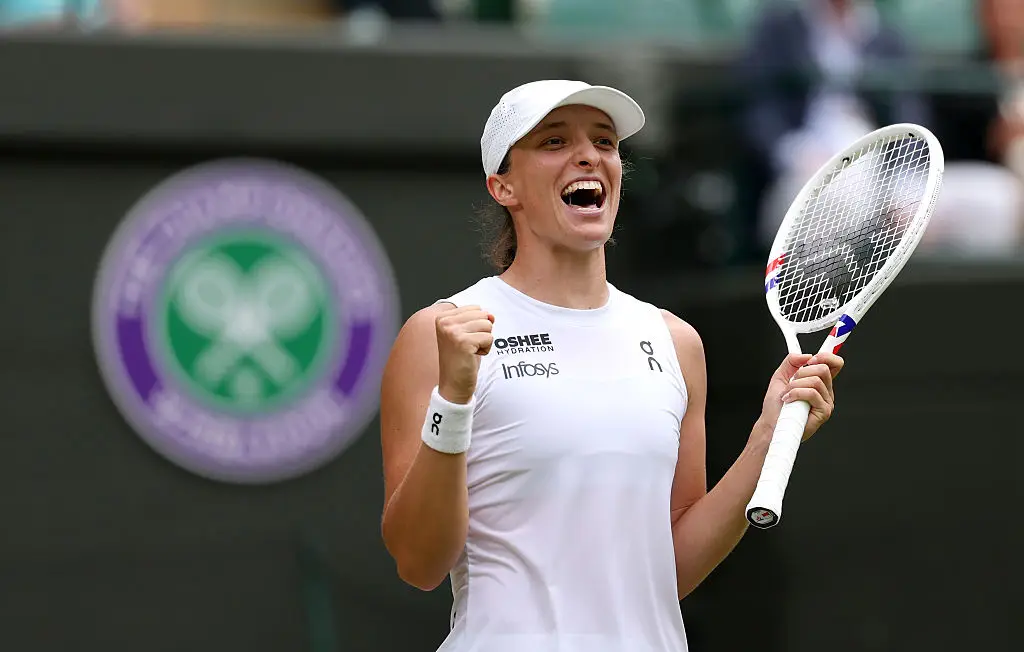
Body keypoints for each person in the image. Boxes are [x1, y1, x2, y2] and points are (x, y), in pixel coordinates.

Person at [379, 79, 843, 652]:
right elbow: (418, 563)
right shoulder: (440, 334)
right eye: (554, 142)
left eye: (604, 141)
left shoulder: (676, 343)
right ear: (503, 185)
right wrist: (452, 401)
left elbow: (667, 572)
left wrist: (768, 438)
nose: (589, 156)